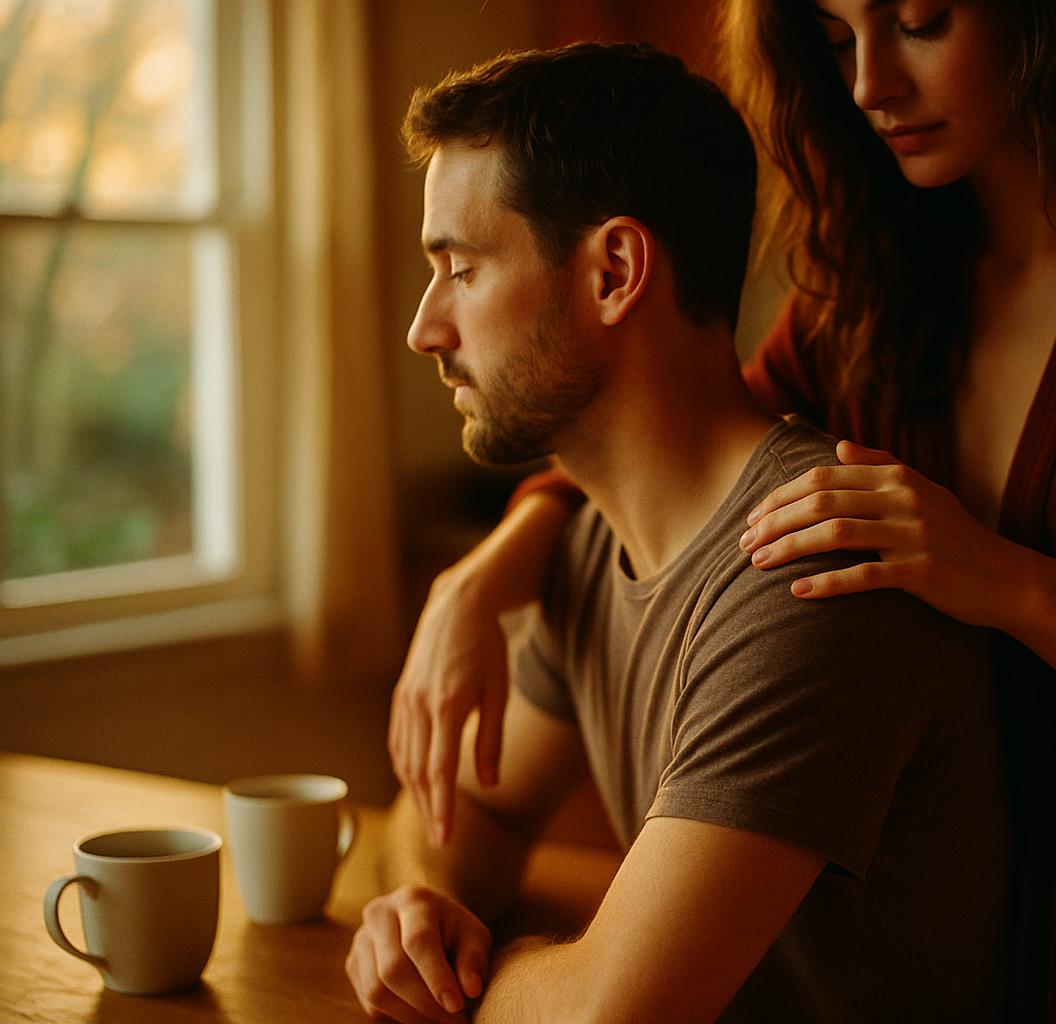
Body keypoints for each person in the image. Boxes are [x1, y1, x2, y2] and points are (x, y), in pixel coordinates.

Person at [390, 1, 1056, 1019]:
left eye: (919, 19)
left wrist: (1010, 582)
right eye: (834, 38)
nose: (869, 82)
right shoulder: (870, 281)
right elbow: (670, 433)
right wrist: (490, 568)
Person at [350, 42, 1012, 1024]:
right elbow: (470, 808)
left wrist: (493, 973)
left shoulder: (809, 571)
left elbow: (613, 1011)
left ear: (615, 270)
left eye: (460, 268)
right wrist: (426, 911)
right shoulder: (591, 543)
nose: (425, 326)